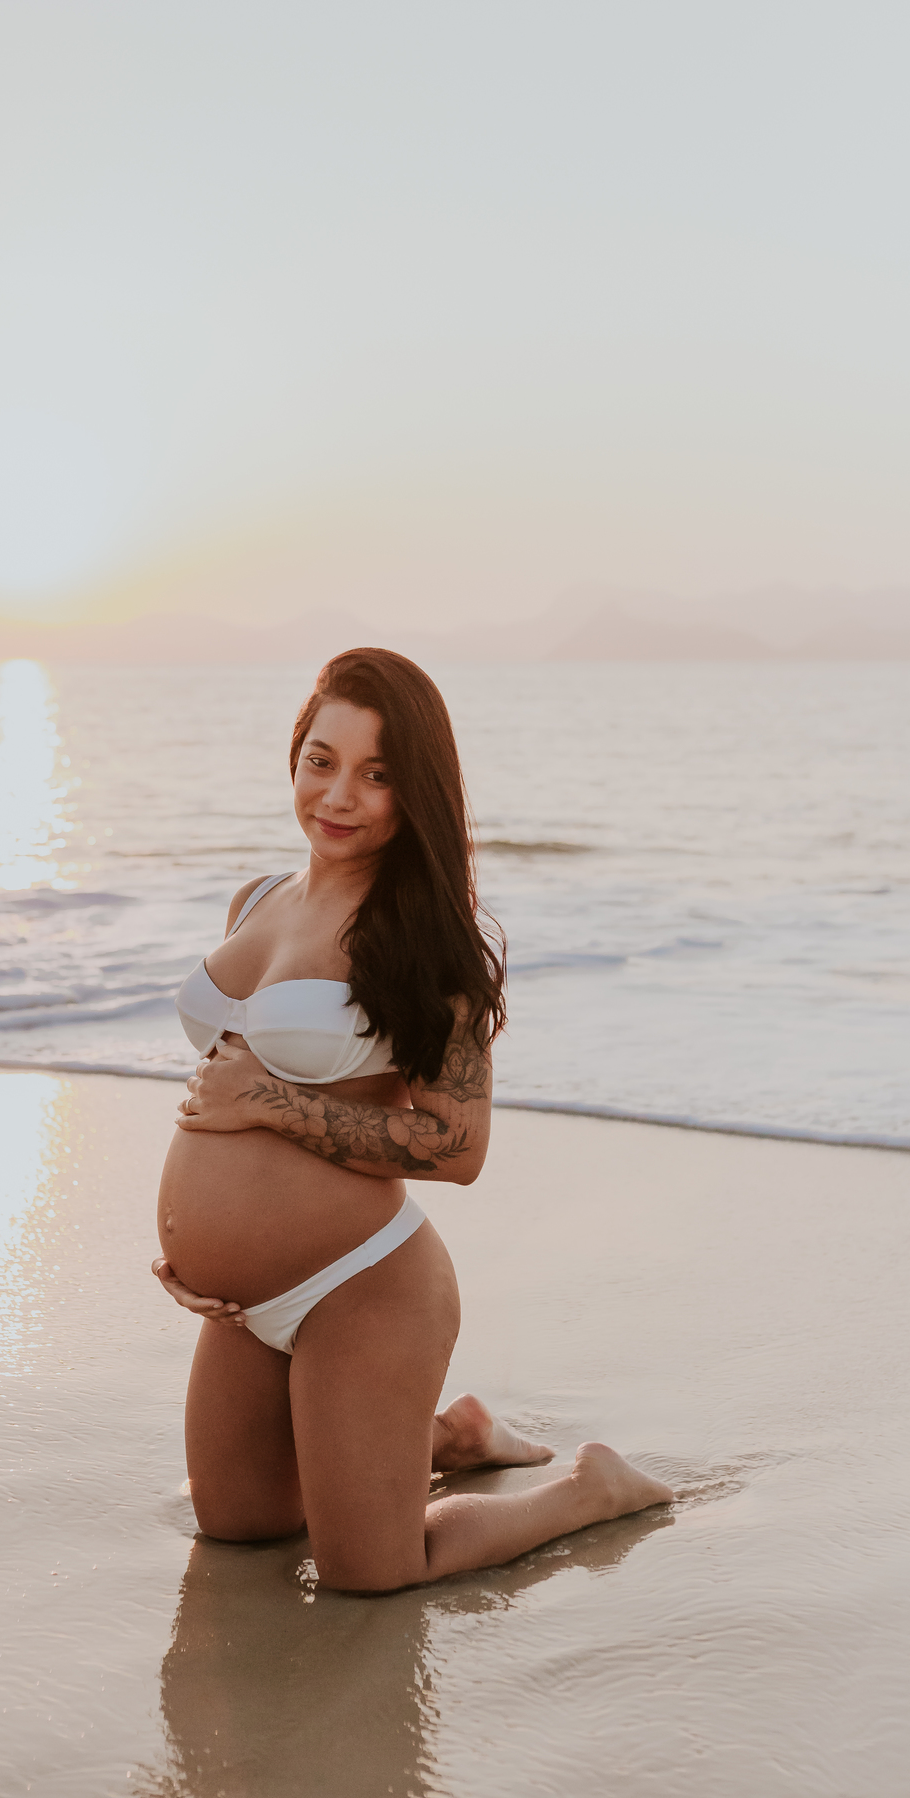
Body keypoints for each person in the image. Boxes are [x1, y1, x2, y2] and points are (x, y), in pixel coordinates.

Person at [152, 648, 672, 1592]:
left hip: (363, 1290)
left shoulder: (428, 940)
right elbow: (222, 1089)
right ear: (294, 758)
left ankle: (587, 1489)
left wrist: (266, 1105)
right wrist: (193, 1249)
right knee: (239, 1525)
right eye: (322, 760)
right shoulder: (258, 901)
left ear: (416, 788)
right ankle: (445, 1437)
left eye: (377, 773)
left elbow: (456, 1146)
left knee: (372, 1572)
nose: (339, 794)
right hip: (240, 1308)